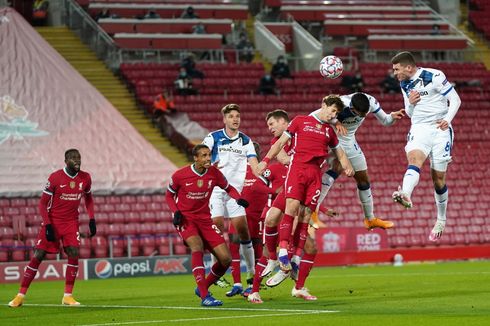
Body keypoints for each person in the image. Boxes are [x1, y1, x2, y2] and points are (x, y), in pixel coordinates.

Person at [257, 95, 354, 273]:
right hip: (298, 170)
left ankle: (295, 258)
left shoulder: (329, 131)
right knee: (290, 209)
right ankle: (282, 252)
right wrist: (265, 160)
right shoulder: (300, 121)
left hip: (315, 174)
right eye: (332, 110)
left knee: (306, 216)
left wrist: (348, 167)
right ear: (323, 105)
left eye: (336, 113)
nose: (333, 115)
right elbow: (280, 144)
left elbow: (340, 153)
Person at [8, 149, 96, 307]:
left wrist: (92, 219)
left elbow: (88, 198)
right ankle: (20, 295)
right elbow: (42, 204)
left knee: (74, 253)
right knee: (39, 254)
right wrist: (48, 225)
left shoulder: (86, 177)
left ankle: (67, 296)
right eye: (73, 158)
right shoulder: (55, 177)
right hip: (53, 221)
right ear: (66, 160)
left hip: (71, 222)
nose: (77, 160)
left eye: (79, 157)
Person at [165, 144, 249, 306]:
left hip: (205, 220)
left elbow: (228, 188)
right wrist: (176, 212)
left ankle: (203, 287)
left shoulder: (214, 173)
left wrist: (238, 198)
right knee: (197, 247)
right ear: (195, 158)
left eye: (209, 155)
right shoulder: (180, 175)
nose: (208, 158)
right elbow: (169, 196)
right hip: (186, 220)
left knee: (225, 260)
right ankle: (205, 296)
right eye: (203, 156)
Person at [390, 51, 461, 241]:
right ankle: (405, 193)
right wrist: (411, 104)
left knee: (438, 179)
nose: (394, 73)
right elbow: (411, 113)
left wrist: (447, 120)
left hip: (440, 128)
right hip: (420, 128)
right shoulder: (404, 83)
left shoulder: (434, 76)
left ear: (408, 67)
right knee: (414, 160)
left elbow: (455, 99)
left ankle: (441, 219)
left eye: (396, 69)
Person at [313, 93, 405, 231]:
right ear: (351, 107)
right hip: (332, 138)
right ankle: (313, 211)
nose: (361, 117)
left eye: (364, 114)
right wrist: (336, 122)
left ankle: (370, 219)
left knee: (363, 179)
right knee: (337, 168)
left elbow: (385, 121)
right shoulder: (341, 103)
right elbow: (315, 116)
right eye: (357, 113)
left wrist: (392, 116)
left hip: (349, 140)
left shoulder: (371, 102)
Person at [202, 104, 259, 285]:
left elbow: (254, 164)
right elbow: (200, 154)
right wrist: (208, 166)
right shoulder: (213, 137)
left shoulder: (245, 140)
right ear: (224, 119)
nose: (235, 119)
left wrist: (263, 168)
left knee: (243, 231)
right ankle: (216, 273)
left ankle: (251, 272)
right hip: (216, 189)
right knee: (217, 228)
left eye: (237, 116)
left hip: (235, 192)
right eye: (231, 116)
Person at [226, 142, 273, 297]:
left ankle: (253, 284)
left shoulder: (265, 170)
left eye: (257, 149)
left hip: (257, 216)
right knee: (234, 244)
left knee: (257, 248)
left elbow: (273, 189)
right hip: (240, 213)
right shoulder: (237, 170)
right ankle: (237, 283)